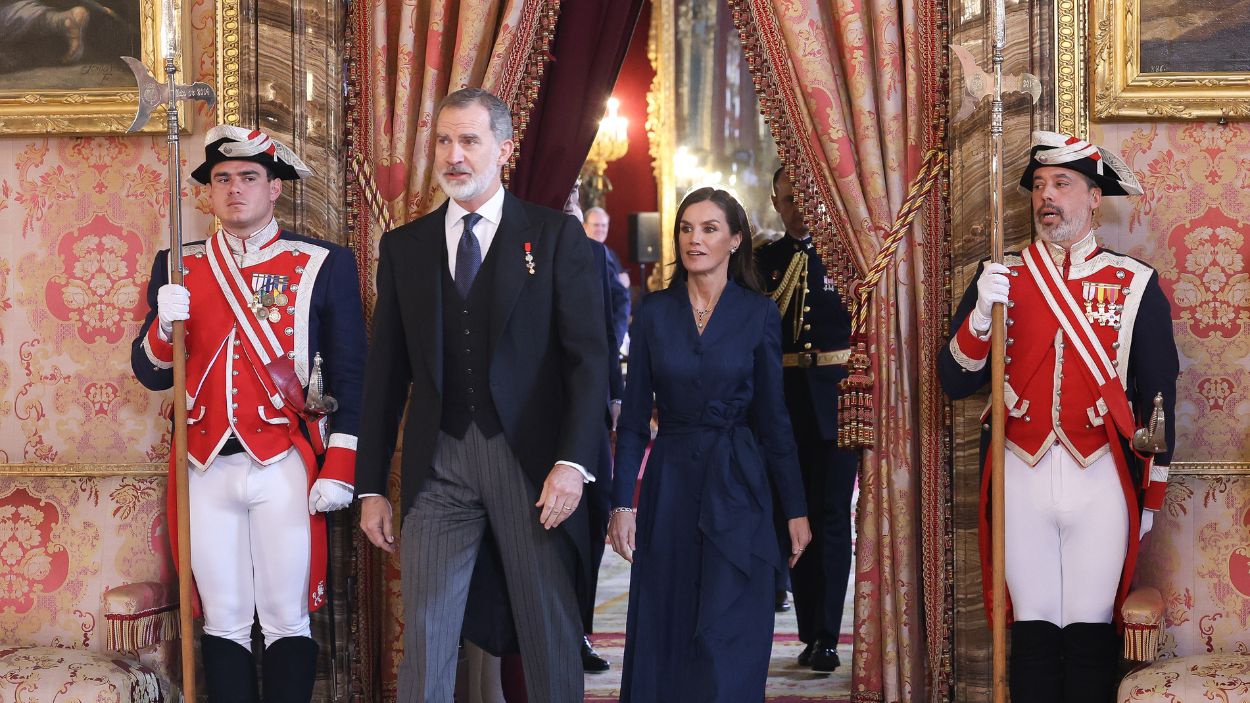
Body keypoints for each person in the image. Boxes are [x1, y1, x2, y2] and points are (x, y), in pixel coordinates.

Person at [355, 87, 608, 703]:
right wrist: (369, 487)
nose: (454, 155)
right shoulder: (404, 249)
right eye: (443, 140)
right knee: (428, 639)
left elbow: (589, 363)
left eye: (469, 140)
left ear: (505, 148)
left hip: (531, 466)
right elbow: (385, 373)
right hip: (438, 464)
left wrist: (573, 465)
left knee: (549, 632)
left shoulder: (553, 238)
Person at [938, 131, 1178, 703]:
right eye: (1040, 186)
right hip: (1020, 475)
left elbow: (1160, 398)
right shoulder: (1001, 277)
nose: (1047, 196)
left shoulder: (1135, 283)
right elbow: (956, 380)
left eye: (1062, 185)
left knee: (1092, 632)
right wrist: (977, 317)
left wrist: (1152, 497)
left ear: (1094, 198)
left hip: (1100, 479)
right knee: (1035, 632)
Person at [131, 125, 367, 702]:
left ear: (275, 188)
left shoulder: (322, 263)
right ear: (207, 193)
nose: (235, 189)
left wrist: (341, 464)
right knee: (223, 617)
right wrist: (164, 325)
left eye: (249, 177)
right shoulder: (178, 266)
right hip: (204, 462)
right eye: (222, 179)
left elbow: (351, 372)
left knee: (287, 615)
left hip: (282, 460)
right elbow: (150, 371)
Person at [607, 187, 812, 701]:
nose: (694, 239)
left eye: (709, 228)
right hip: (671, 483)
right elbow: (632, 423)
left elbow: (774, 421)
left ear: (735, 240)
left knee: (730, 624)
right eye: (686, 229)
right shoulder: (654, 312)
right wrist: (621, 504)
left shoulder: (759, 314)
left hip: (738, 483)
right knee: (668, 622)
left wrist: (795, 508)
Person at [754, 167, 860, 671]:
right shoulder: (762, 262)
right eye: (789, 199)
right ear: (776, 203)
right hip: (784, 405)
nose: (799, 207)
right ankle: (807, 629)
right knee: (792, 514)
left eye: (806, 197)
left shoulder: (849, 256)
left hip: (839, 402)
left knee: (834, 517)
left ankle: (828, 635)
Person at [584, 206, 631, 350]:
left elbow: (621, 293)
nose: (601, 229)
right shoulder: (581, 253)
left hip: (611, 334)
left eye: (604, 225)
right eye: (596, 225)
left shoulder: (609, 253)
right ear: (584, 226)